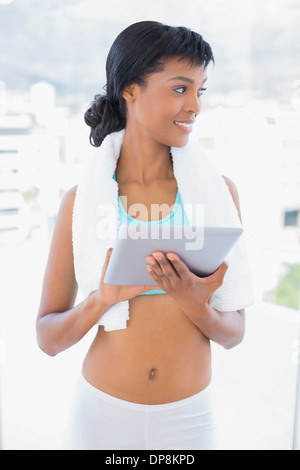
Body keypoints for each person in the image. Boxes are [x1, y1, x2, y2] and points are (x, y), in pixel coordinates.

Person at [36, 20, 253, 450]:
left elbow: (234, 334)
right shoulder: (81, 203)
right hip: (102, 416)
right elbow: (47, 338)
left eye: (199, 91)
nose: (194, 106)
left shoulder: (219, 194)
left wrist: (197, 305)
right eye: (179, 88)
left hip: (190, 419)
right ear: (130, 90)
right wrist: (102, 298)